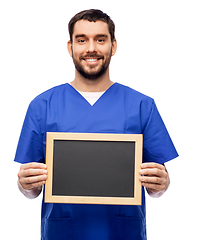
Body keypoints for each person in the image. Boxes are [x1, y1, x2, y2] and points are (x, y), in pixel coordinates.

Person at [14, 9, 178, 240]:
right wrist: (25, 183)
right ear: (70, 47)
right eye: (82, 40)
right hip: (62, 232)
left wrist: (161, 183)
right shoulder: (42, 106)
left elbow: (156, 188)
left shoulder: (141, 105)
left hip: (123, 233)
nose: (91, 48)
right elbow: (31, 190)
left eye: (100, 39)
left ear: (113, 46)